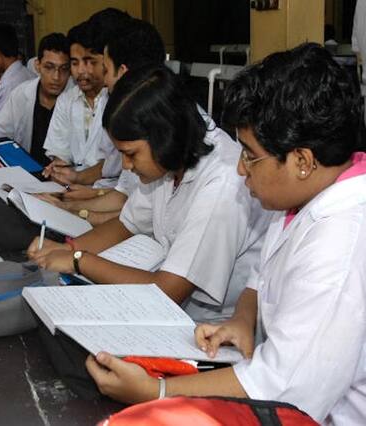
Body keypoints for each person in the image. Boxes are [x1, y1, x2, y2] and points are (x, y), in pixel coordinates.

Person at [85, 43, 366, 425]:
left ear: (301, 161)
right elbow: (261, 274)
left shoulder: (340, 246)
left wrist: (156, 392)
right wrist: (242, 319)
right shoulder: (305, 196)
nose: (240, 168)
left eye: (250, 155)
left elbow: (281, 387)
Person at [29, 66, 270, 326]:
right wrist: (67, 249)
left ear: (165, 136)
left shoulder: (221, 183)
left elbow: (167, 291)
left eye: (131, 154)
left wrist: (79, 261)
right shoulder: (168, 160)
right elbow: (127, 224)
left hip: (213, 327)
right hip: (176, 311)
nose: (125, 165)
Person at [38, 18, 166, 225]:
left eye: (103, 69)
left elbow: (132, 218)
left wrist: (74, 209)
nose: (103, 80)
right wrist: (67, 207)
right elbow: (127, 202)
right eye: (75, 63)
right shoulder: (143, 114)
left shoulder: (151, 125)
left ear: (123, 73)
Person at [42, 10, 131, 188]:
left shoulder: (120, 100)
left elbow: (115, 164)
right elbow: (60, 154)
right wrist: (60, 172)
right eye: (75, 63)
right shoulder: (66, 100)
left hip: (110, 189)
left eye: (91, 62)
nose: (82, 71)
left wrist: (77, 178)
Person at [0, 33, 70, 165]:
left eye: (64, 69)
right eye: (49, 67)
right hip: (29, 171)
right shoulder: (21, 93)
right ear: (38, 65)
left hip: (65, 173)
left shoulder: (75, 99)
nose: (56, 77)